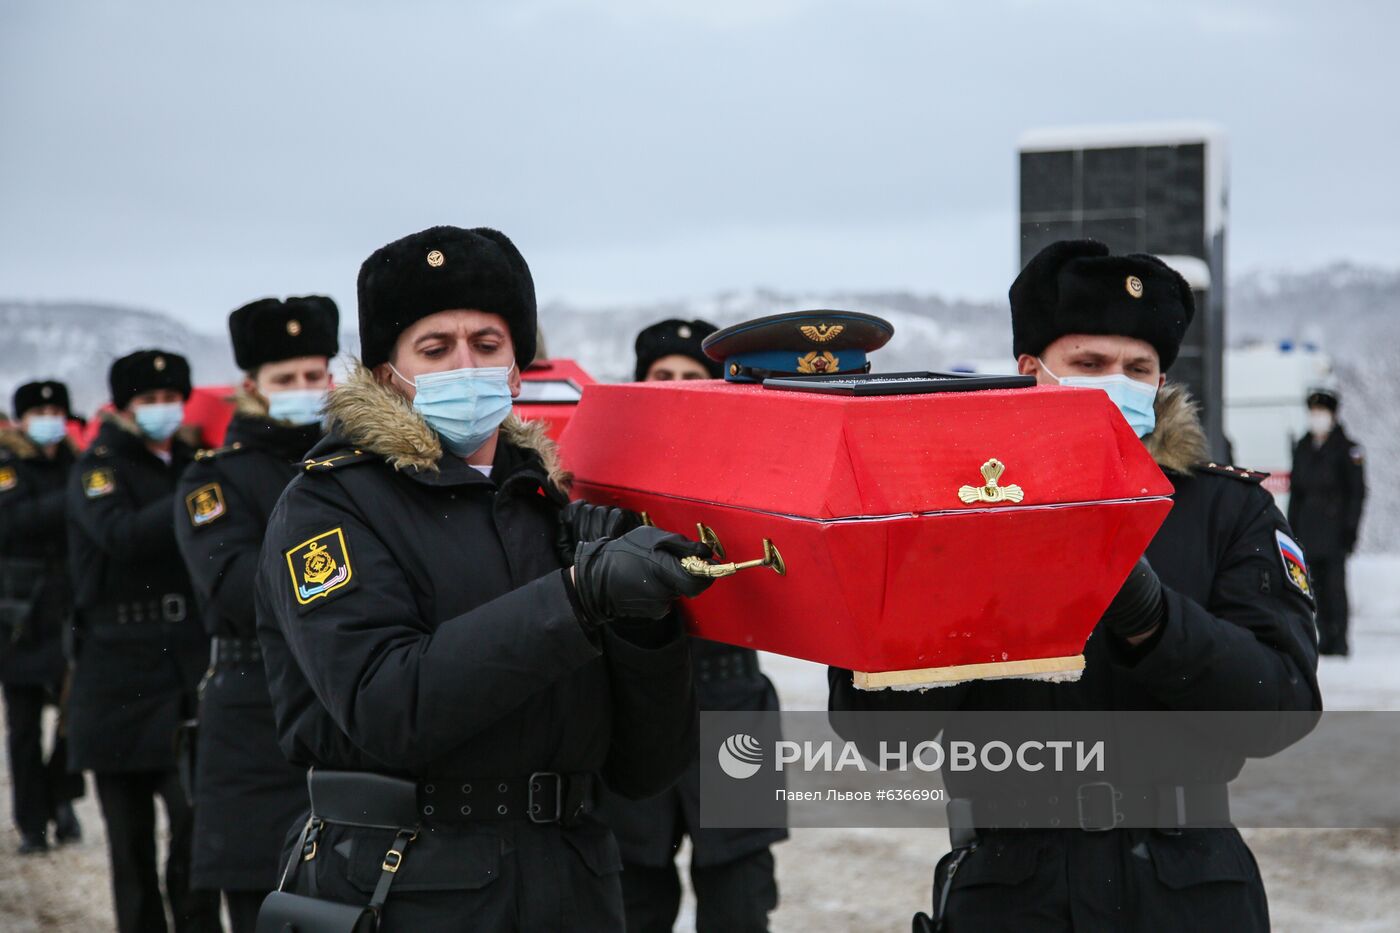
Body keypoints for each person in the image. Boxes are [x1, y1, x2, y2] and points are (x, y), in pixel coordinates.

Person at [830, 239, 1320, 932]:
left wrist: (1154, 619)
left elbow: (1283, 705)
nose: (1115, 381)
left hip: (1189, 889)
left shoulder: (1226, 510)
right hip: (1014, 890)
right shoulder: (943, 509)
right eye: (1088, 364)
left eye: (1137, 367)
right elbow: (876, 729)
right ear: (1030, 370)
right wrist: (967, 588)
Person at [254, 225, 712, 931]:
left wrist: (644, 624)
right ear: (385, 373)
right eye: (435, 349)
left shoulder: (548, 504)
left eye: (488, 345)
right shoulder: (328, 504)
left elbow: (646, 765)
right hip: (409, 885)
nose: (465, 364)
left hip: (572, 882)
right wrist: (576, 597)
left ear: (518, 370)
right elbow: (389, 703)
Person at [593, 319, 787, 933]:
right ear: (639, 384)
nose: (676, 388)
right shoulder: (610, 472)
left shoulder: (755, 471)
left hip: (734, 704)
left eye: (691, 378)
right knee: (633, 890)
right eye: (662, 377)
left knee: (740, 889)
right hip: (636, 705)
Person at [173, 296, 339, 932]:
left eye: (314, 375)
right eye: (285, 379)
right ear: (250, 387)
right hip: (253, 716)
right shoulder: (213, 481)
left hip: (343, 704)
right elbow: (234, 590)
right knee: (262, 902)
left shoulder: (356, 465)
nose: (304, 390)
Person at [66, 350, 221, 933]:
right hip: (116, 678)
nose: (162, 410)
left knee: (195, 826)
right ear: (125, 407)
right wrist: (195, 499)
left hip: (184, 669)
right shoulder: (99, 467)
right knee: (130, 850)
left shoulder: (193, 460)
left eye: (170, 399)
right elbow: (119, 535)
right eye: (148, 400)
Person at [0, 381, 85, 855]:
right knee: (25, 726)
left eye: (56, 409)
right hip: (21, 617)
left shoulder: (75, 463)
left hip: (71, 611)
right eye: (39, 410)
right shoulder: (8, 466)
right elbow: (10, 522)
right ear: (22, 419)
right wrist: (72, 502)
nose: (49, 417)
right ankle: (32, 821)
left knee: (74, 720)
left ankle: (62, 799)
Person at [1287, 387, 1366, 656]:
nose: (1316, 417)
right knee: (1314, 587)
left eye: (1321, 412)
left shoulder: (1347, 449)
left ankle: (1339, 639)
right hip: (1308, 529)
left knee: (1335, 587)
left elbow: (1356, 493)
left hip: (1334, 532)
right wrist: (1290, 528)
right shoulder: (1303, 446)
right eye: (1313, 412)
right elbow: (1296, 493)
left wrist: (1350, 530)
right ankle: (1323, 635)